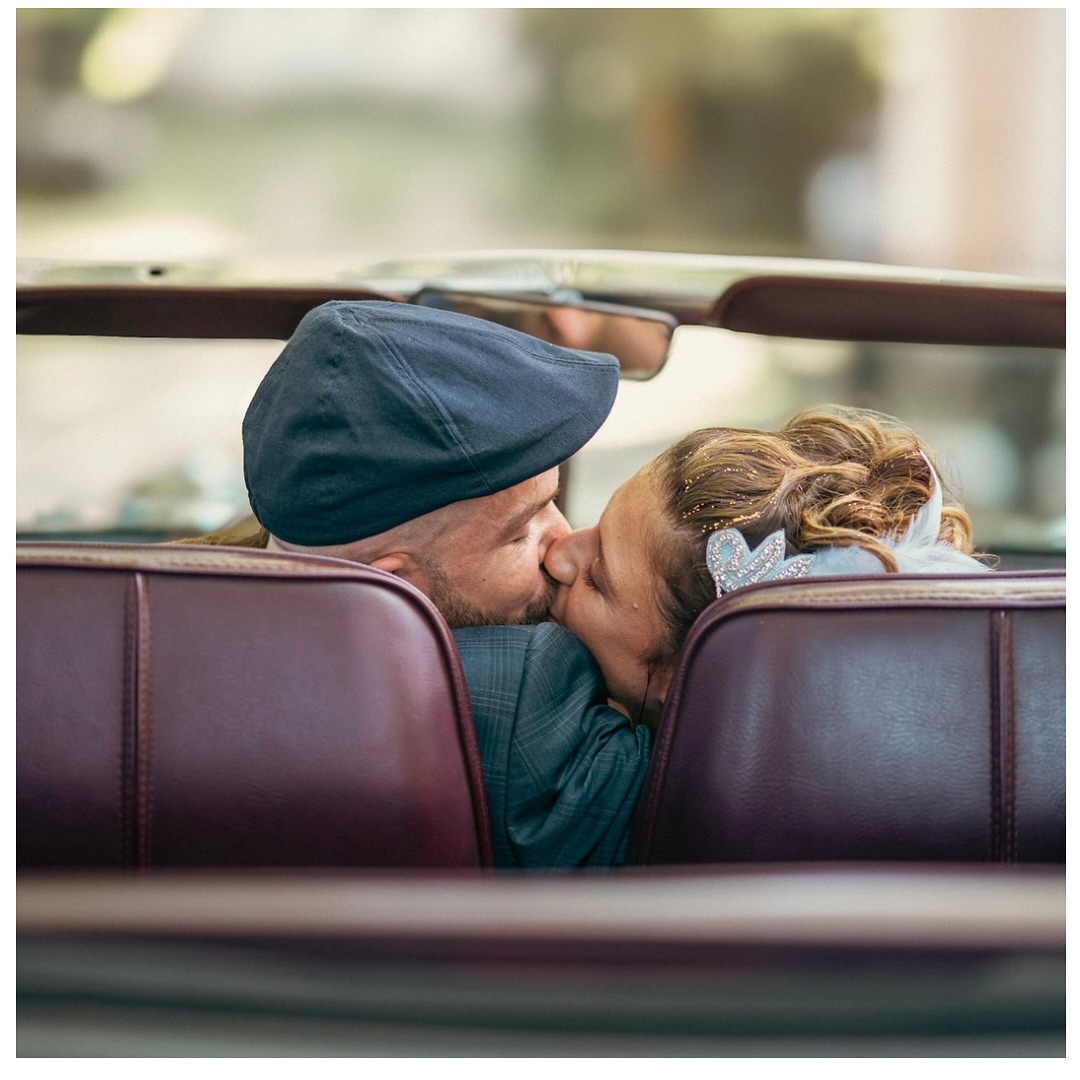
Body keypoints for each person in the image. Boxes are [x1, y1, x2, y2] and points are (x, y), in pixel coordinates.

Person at [457, 405, 990, 868]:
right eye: (596, 525)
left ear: (691, 674)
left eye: (598, 579)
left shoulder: (545, 733)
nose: (559, 552)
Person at [179, 298, 620, 627]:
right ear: (393, 586)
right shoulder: (527, 693)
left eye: (550, 503)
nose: (564, 543)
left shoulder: (162, 620)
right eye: (520, 533)